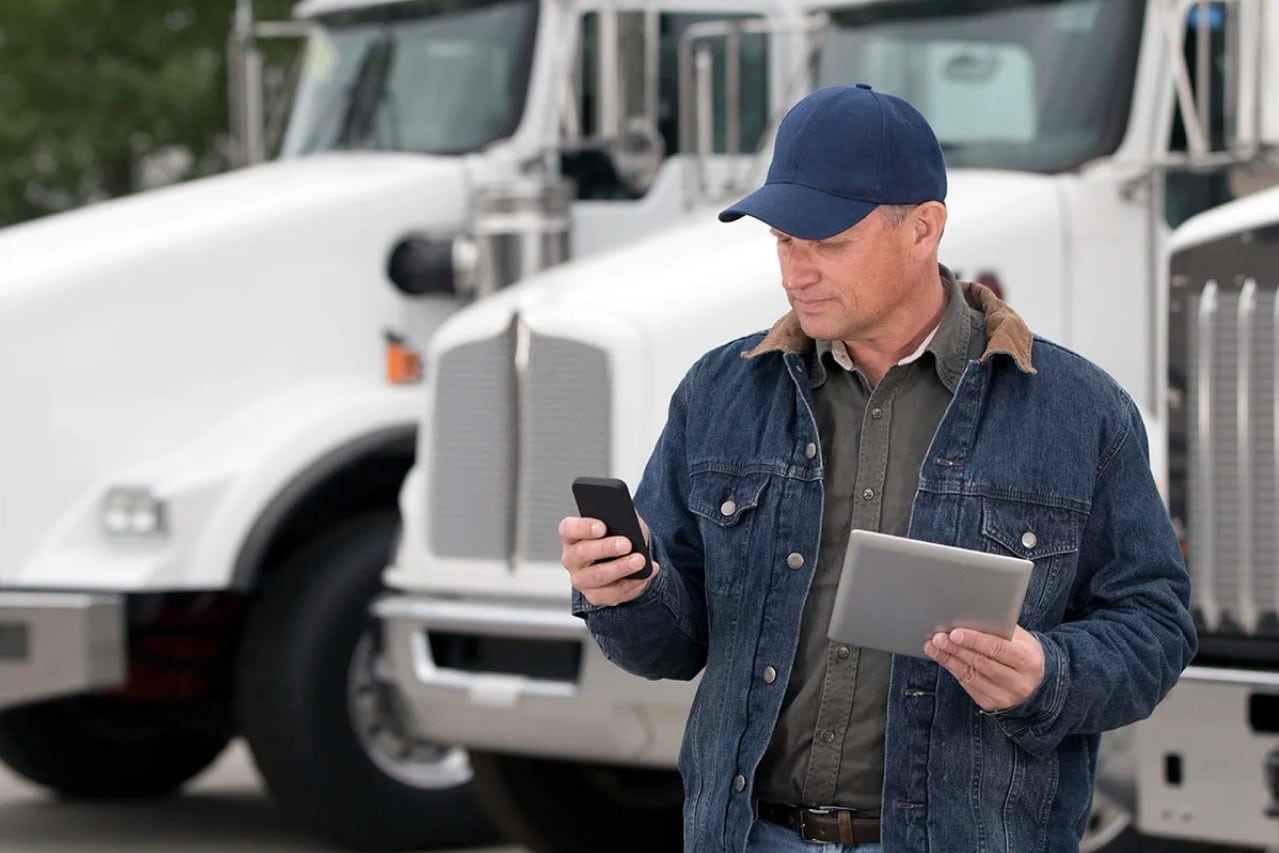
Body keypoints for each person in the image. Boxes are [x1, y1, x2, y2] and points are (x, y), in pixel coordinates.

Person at [559, 84, 1196, 852]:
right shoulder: (720, 391)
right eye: (782, 241)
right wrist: (623, 591)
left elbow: (1155, 626)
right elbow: (670, 645)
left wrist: (1046, 674)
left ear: (923, 228)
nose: (796, 272)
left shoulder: (1076, 410)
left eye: (827, 243)